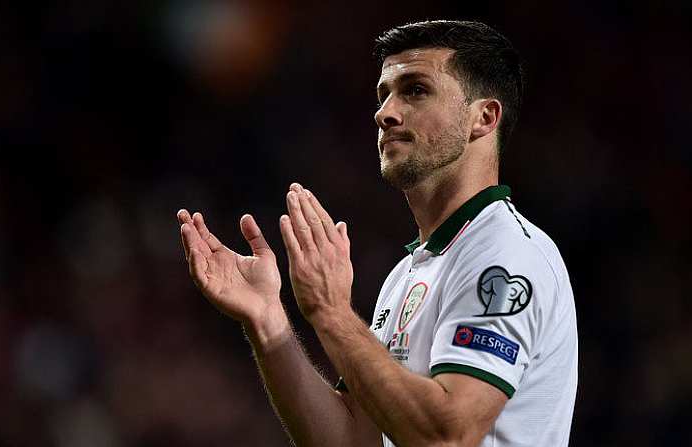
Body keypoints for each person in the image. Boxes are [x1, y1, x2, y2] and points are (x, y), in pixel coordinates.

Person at [177, 20, 577, 447]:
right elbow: (350, 440)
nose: (384, 112)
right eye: (384, 93)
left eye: (416, 90)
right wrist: (268, 322)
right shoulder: (407, 274)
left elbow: (448, 435)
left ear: (483, 117)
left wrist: (331, 311)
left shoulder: (505, 253)